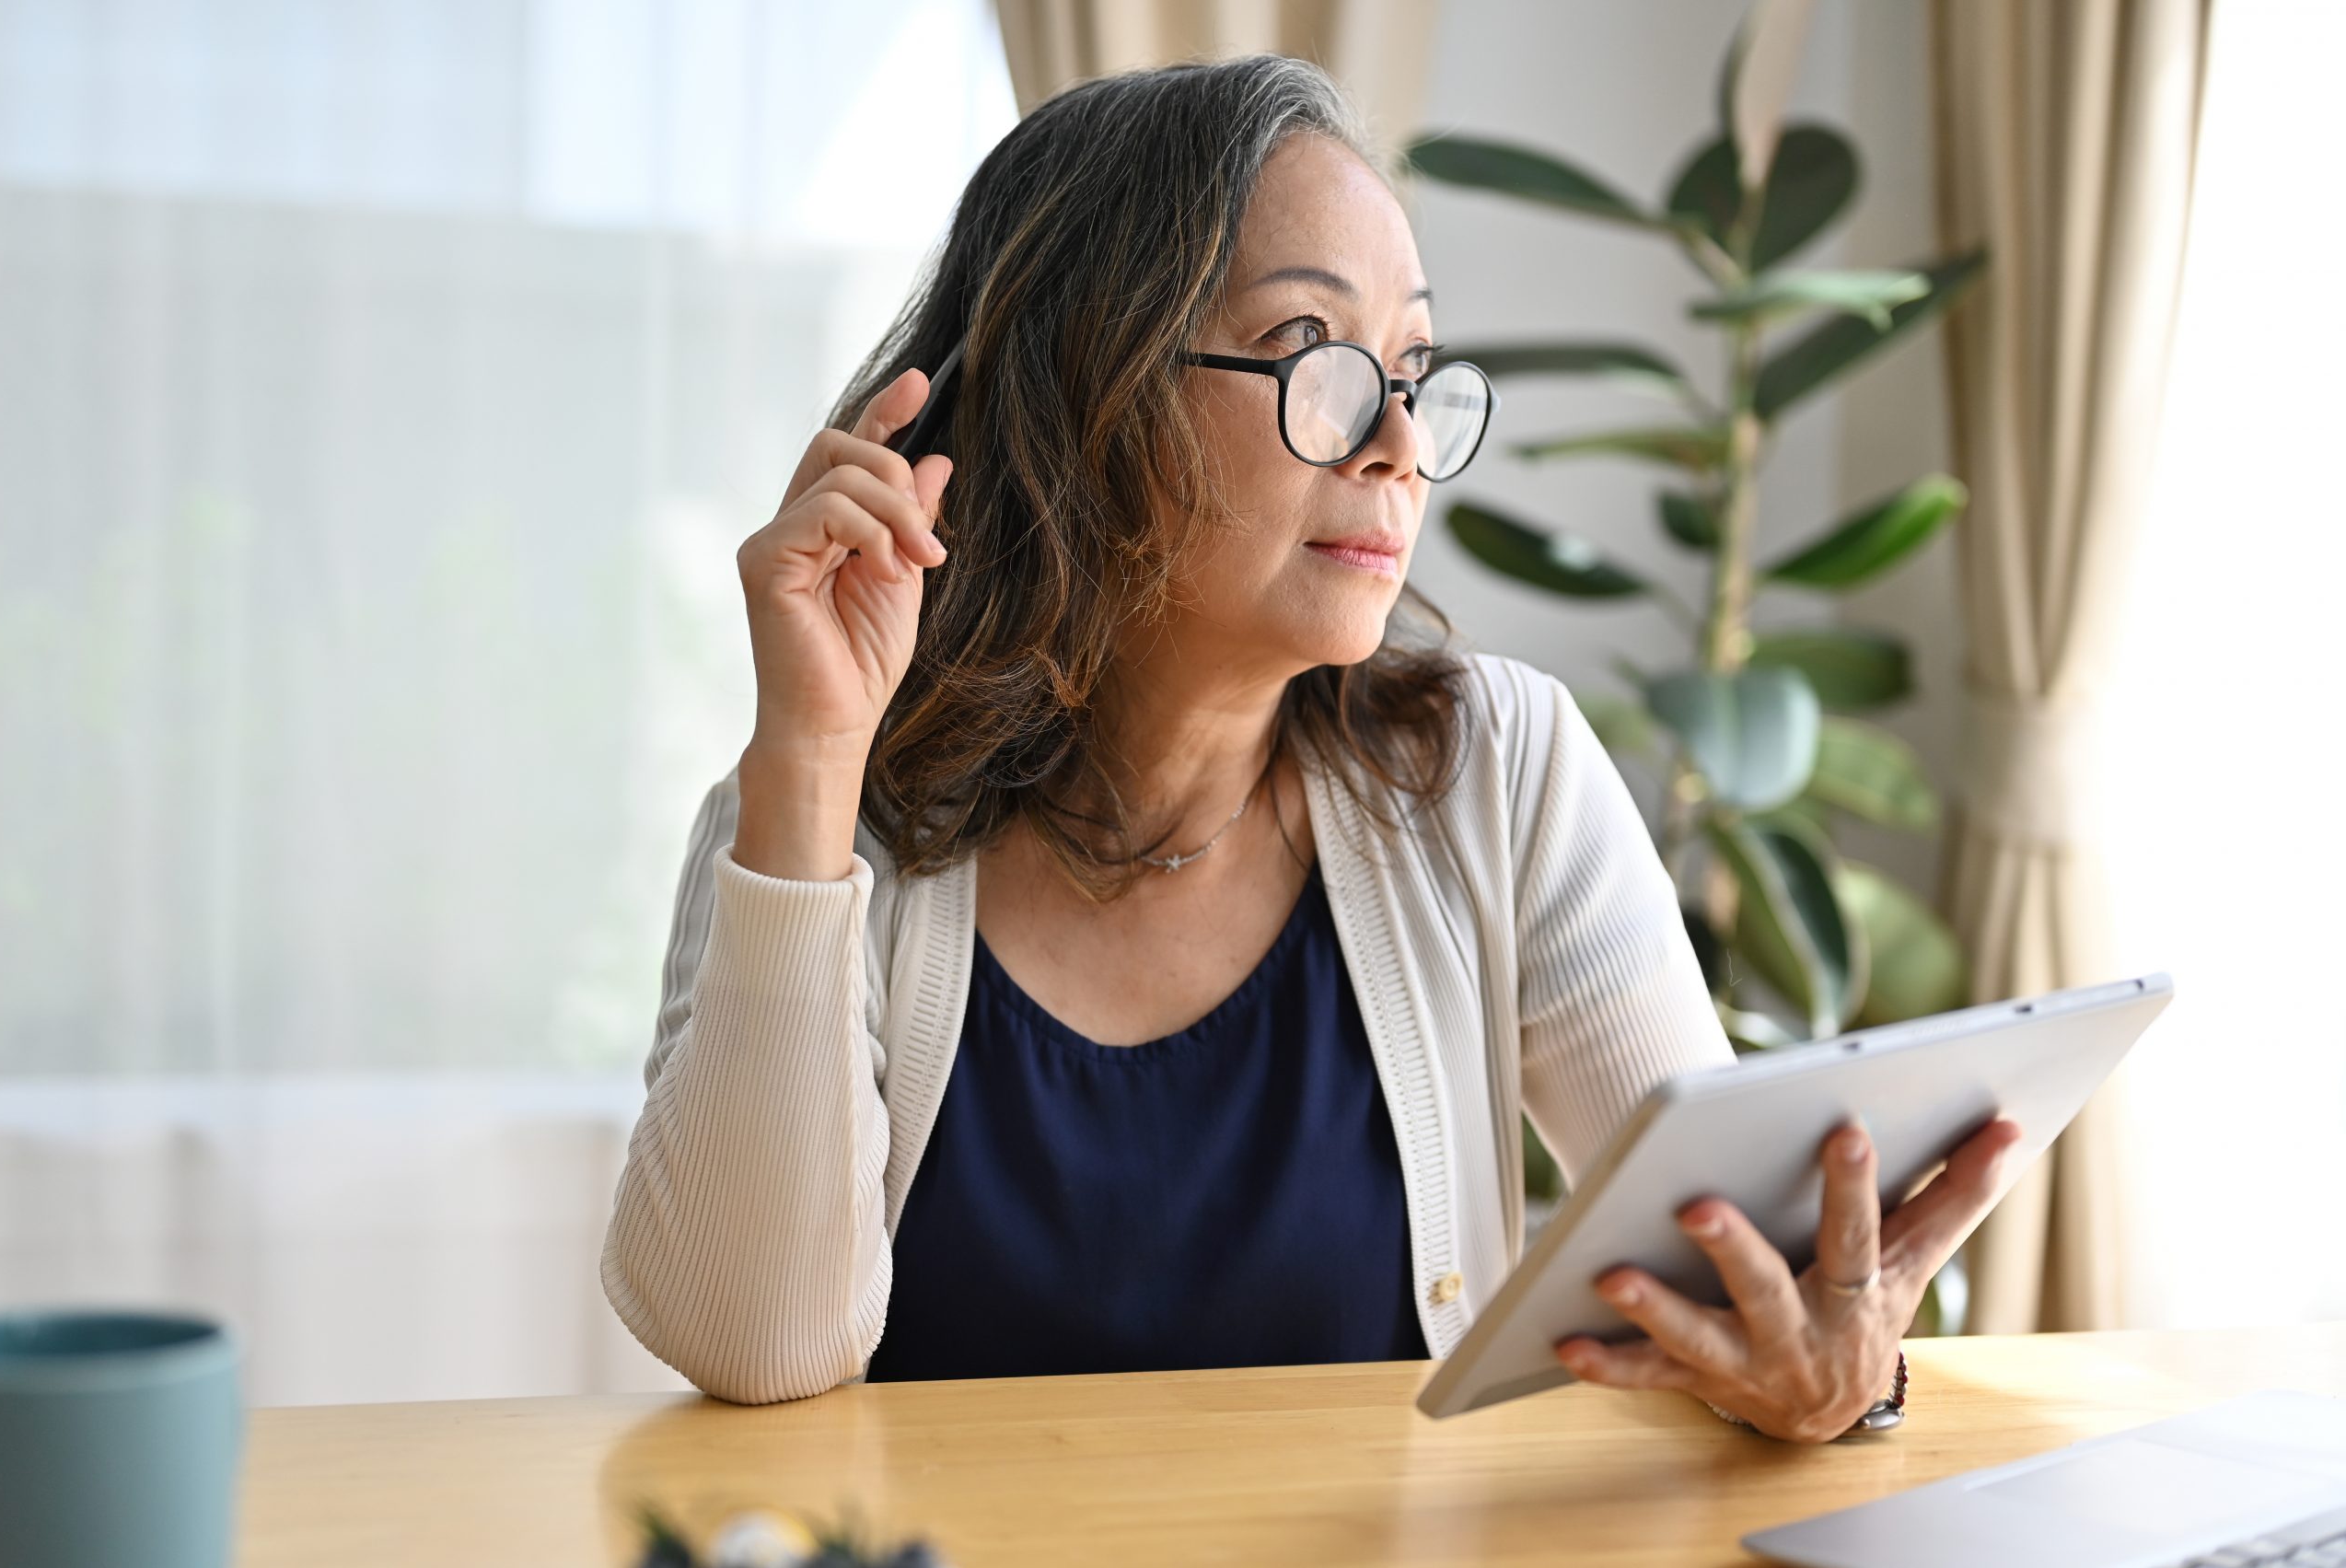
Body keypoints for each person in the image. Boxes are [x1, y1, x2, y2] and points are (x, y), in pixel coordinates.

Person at [598, 52, 2020, 1442]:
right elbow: (754, 1348)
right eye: (1314, 359)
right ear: (1094, 392)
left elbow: (1748, 1282)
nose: (1400, 440)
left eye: (1413, 367)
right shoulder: (814, 819)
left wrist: (1850, 1374)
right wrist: (810, 761)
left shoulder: (1495, 770)